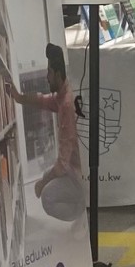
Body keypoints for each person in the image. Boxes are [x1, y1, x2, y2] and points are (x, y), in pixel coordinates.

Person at [6, 44, 86, 221]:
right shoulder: (63, 95)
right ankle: (80, 203)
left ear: (57, 74)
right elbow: (42, 100)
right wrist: (18, 97)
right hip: (73, 166)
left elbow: (62, 163)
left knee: (47, 197)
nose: (46, 77)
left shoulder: (67, 105)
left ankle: (82, 212)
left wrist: (41, 184)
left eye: (49, 72)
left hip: (79, 174)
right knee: (46, 176)